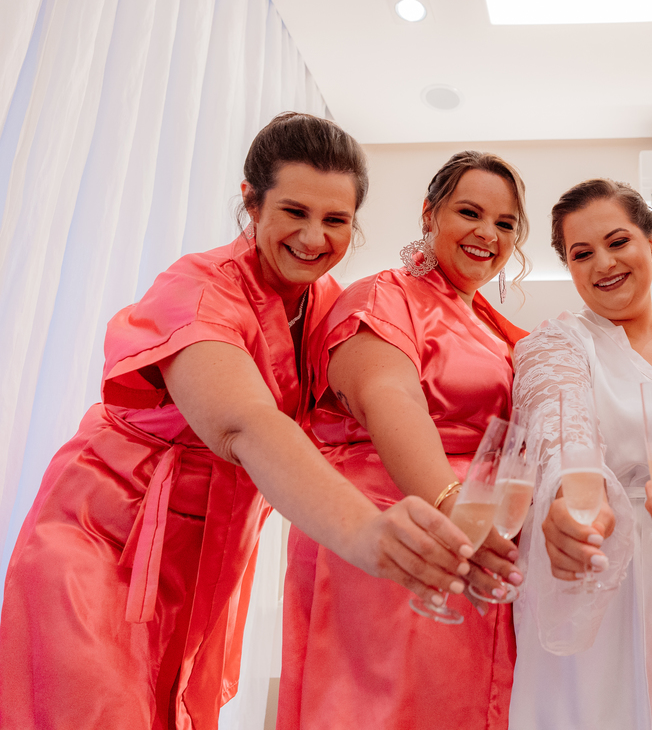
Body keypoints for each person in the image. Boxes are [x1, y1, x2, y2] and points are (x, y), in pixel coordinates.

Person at [0, 113, 476, 730]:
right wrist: (365, 534)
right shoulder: (198, 290)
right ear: (251, 201)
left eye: (335, 221)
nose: (313, 238)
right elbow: (247, 424)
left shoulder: (331, 304)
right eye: (294, 212)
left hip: (207, 558)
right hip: (103, 536)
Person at [279, 151, 530, 730]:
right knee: (389, 708)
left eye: (505, 224)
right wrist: (451, 506)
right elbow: (389, 397)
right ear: (429, 214)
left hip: (478, 546)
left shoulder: (497, 328)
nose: (487, 234)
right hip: (397, 532)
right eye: (470, 212)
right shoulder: (384, 295)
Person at [509, 178, 652, 730]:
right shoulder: (558, 344)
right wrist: (574, 495)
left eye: (618, 242)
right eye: (581, 253)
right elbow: (560, 426)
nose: (603, 263)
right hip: (609, 568)